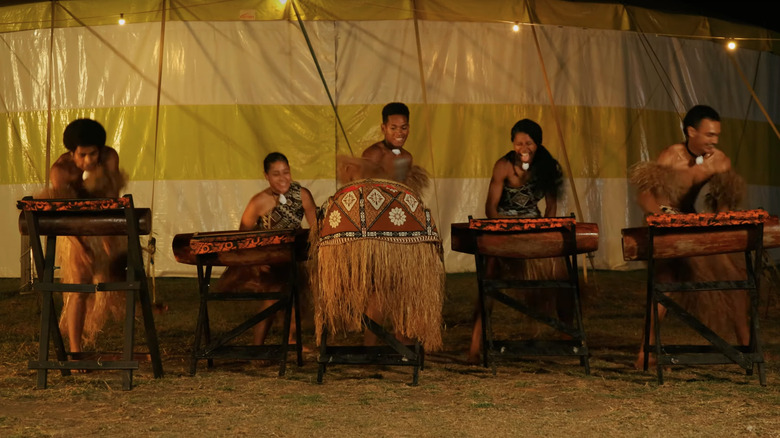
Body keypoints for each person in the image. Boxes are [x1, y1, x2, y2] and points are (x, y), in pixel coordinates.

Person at [629, 104, 749, 369]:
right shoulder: (671, 156)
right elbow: (645, 195)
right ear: (691, 131)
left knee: (735, 277)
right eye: (709, 134)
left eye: (717, 135)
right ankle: (644, 352)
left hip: (692, 222)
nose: (714, 140)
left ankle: (747, 348)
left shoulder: (720, 161)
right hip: (665, 224)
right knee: (665, 283)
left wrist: (720, 226)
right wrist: (660, 217)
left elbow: (724, 202)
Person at [467, 118, 568, 364]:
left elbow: (551, 207)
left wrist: (543, 234)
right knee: (488, 277)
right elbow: (491, 206)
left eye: (529, 143)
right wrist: (502, 231)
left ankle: (569, 336)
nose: (523, 147)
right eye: (519, 143)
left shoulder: (547, 167)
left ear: (538, 144)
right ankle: (474, 345)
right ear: (512, 144)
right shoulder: (502, 166)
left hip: (534, 228)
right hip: (504, 228)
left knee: (563, 273)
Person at [216, 152, 317, 348]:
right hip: (265, 260)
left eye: (286, 172)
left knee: (297, 295)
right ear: (266, 176)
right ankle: (257, 347)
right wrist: (256, 262)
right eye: (276, 174)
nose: (282, 178)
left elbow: (315, 228)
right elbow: (243, 237)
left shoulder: (302, 194)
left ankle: (292, 340)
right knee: (272, 298)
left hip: (291, 256)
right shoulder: (258, 202)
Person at [48, 118, 127, 355]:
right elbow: (63, 217)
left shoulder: (110, 158)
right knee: (79, 285)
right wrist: (81, 246)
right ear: (71, 152)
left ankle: (148, 308)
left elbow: (112, 199)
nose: (89, 160)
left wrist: (108, 237)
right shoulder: (61, 171)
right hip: (74, 228)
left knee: (120, 272)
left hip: (105, 221)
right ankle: (75, 350)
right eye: (82, 155)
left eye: (93, 154)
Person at [337, 102, 429, 194]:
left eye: (403, 128)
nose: (399, 133)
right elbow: (364, 191)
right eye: (393, 128)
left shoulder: (407, 157)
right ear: (383, 128)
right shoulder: (375, 153)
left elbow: (404, 190)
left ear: (408, 128)